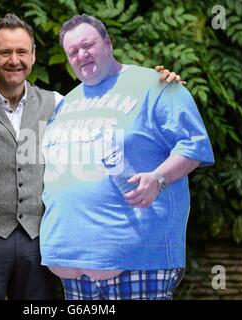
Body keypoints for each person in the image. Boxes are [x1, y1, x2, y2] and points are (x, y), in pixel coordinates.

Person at [0, 13, 182, 300]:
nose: (14, 60)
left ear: (33, 56)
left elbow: (108, 109)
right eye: (5, 52)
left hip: (39, 244)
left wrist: (160, 83)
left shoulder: (60, 104)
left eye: (22, 51)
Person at [39, 14, 215, 300]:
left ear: (108, 42)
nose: (81, 55)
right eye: (72, 51)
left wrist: (159, 177)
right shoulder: (66, 102)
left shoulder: (158, 84)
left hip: (136, 261)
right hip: (70, 265)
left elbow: (193, 144)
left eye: (88, 45)